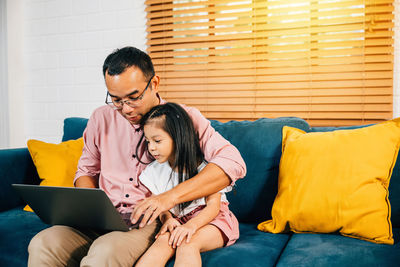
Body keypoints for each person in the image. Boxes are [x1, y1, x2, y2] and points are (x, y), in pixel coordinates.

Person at [27, 46, 246, 267]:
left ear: (154, 84)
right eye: (116, 100)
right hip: (102, 218)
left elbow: (232, 162)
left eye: (134, 97)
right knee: (43, 243)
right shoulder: (100, 118)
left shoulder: (183, 118)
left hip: (148, 221)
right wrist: (89, 211)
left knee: (105, 252)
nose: (126, 109)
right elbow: (87, 171)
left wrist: (168, 198)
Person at [135, 103, 239, 267]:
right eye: (148, 141)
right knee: (162, 242)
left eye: (157, 141)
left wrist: (191, 226)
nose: (151, 148)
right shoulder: (153, 171)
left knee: (187, 243)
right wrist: (168, 219)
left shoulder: (205, 168)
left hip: (212, 220)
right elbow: (162, 207)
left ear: (178, 137)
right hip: (180, 221)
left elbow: (214, 207)